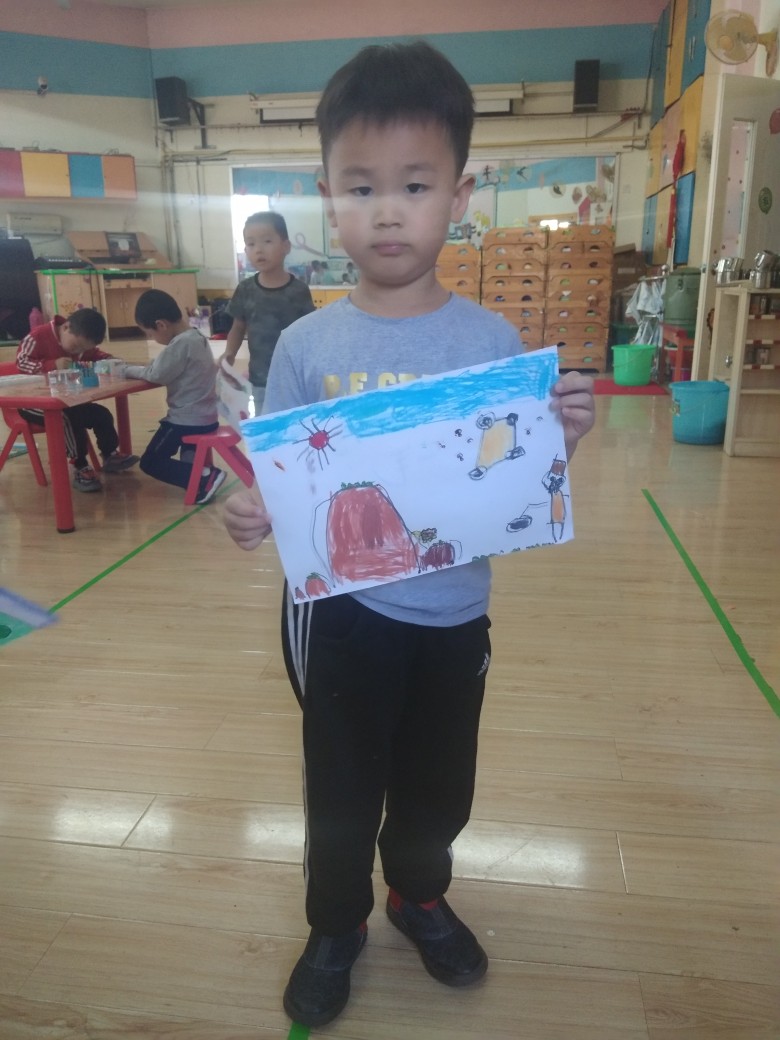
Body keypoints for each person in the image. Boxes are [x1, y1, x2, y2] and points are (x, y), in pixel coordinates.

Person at [223, 41, 595, 1028]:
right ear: (328, 199)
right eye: (362, 186)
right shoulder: (306, 346)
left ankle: (418, 892)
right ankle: (336, 921)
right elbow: (275, 475)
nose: (388, 210)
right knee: (341, 786)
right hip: (343, 618)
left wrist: (559, 441)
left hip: (455, 613)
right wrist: (250, 507)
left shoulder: (491, 344)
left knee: (438, 784)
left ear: (460, 195)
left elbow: (512, 479)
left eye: (416, 185)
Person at [117, 290, 224, 505]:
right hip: (206, 417)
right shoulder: (196, 337)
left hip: (186, 420)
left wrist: (125, 369)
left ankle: (206, 477)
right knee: (186, 452)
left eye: (150, 333)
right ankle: (199, 478)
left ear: (161, 325)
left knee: (150, 462)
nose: (152, 339)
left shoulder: (181, 343)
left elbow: (156, 374)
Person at [15, 308, 139, 492]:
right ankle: (80, 466)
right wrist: (51, 365)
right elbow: (21, 363)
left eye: (83, 349)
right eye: (75, 347)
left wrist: (110, 360)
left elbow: (95, 355)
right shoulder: (37, 337)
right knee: (67, 419)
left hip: (67, 401)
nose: (78, 352)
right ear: (66, 327)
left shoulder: (81, 344)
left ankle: (110, 455)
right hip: (31, 403)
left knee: (101, 414)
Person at [222, 212, 315, 412]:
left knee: (295, 424)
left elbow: (310, 332)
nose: (259, 249)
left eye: (267, 241)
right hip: (260, 379)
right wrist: (229, 354)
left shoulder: (298, 291)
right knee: (265, 423)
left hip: (295, 378)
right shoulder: (246, 289)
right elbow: (238, 327)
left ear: (286, 246)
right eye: (251, 244)